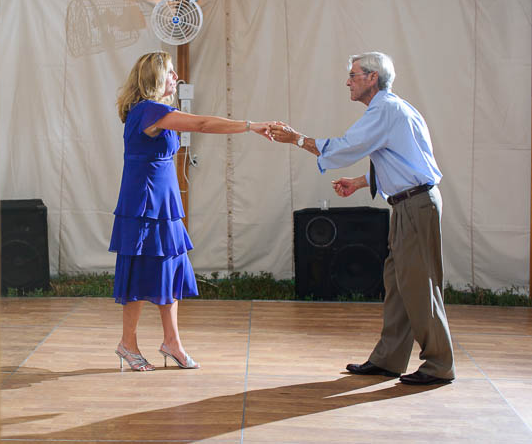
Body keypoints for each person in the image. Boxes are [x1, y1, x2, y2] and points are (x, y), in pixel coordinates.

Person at [269, 51, 455, 385]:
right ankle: (388, 360)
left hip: (415, 206)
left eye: (353, 75)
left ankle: (439, 365)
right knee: (398, 285)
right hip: (408, 205)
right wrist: (359, 182)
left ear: (373, 77)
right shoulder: (394, 109)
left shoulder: (385, 110)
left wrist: (296, 139)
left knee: (419, 285)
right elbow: (401, 160)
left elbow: (345, 146)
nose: (348, 81)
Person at [111, 51, 272, 371]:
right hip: (145, 205)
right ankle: (127, 344)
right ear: (156, 78)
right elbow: (200, 123)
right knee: (139, 272)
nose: (176, 79)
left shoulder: (148, 111)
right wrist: (251, 126)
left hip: (162, 204)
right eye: (170, 73)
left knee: (168, 269)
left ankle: (172, 342)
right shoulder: (150, 110)